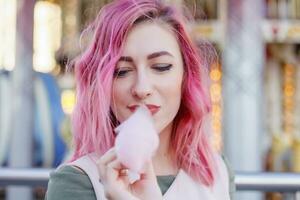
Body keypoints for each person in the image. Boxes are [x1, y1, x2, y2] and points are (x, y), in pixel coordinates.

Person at [46, 0, 235, 199]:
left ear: (186, 76)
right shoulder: (76, 183)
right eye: (122, 71)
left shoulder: (217, 172)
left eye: (161, 67)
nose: (142, 88)